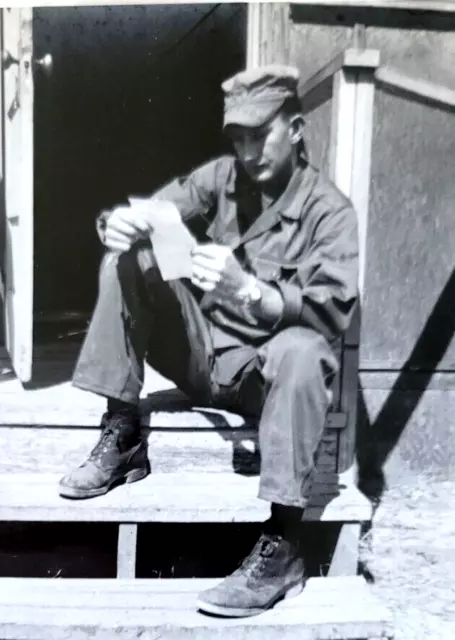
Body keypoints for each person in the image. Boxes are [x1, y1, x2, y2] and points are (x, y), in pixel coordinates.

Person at [59, 65, 359, 617]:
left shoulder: (330, 212)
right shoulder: (222, 176)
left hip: (264, 381)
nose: (247, 151)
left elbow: (331, 312)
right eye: (238, 137)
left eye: (259, 134)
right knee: (130, 258)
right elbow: (153, 209)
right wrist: (116, 224)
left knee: (303, 349)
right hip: (201, 355)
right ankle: (123, 435)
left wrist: (250, 290)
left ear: (295, 128)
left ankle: (285, 542)